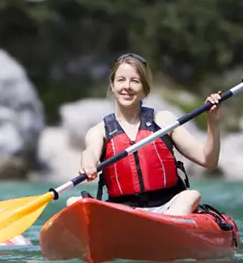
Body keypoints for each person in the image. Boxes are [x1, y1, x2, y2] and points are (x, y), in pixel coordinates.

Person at [66, 53, 222, 216]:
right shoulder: (99, 131)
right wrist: (88, 165)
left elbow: (208, 160)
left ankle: (167, 228)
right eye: (121, 80)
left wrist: (212, 122)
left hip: (168, 207)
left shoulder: (164, 121)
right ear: (112, 85)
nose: (127, 86)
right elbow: (90, 152)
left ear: (144, 88)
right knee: (74, 202)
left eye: (135, 81)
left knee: (190, 196)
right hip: (122, 211)